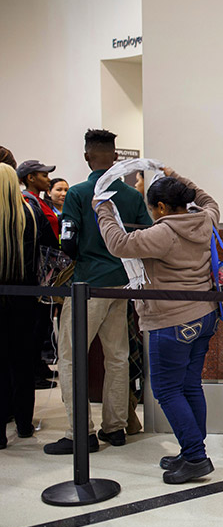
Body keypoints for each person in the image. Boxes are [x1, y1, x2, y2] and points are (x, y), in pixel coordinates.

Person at [95, 168, 220, 484]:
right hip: (204, 315)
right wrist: (178, 177)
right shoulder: (205, 218)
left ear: (161, 208)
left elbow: (119, 244)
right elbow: (207, 198)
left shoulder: (163, 233)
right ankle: (192, 448)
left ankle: (195, 457)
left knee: (166, 390)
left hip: (172, 321)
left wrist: (103, 208)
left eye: (151, 207)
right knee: (190, 386)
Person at [44, 129, 152, 455]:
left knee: (70, 356)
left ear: (87, 156)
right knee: (117, 355)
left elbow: (68, 241)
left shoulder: (78, 193)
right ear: (116, 157)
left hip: (86, 285)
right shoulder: (132, 198)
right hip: (121, 284)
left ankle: (82, 433)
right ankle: (115, 427)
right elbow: (145, 236)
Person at [1, 163, 56, 449]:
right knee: (22, 364)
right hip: (26, 299)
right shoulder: (32, 213)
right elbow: (52, 248)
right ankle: (24, 425)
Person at [17, 160, 60, 239]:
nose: (49, 180)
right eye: (44, 176)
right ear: (31, 178)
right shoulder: (28, 203)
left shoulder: (39, 201)